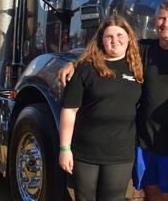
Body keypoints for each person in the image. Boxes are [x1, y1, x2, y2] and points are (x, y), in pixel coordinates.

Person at [59, 1, 168, 201]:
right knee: (151, 192)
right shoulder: (145, 49)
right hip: (144, 142)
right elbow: (108, 48)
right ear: (155, 21)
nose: (166, 23)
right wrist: (73, 63)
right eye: (162, 18)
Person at [59, 14, 144, 201]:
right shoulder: (86, 69)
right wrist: (65, 149)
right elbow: (69, 110)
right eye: (109, 36)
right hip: (85, 152)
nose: (115, 41)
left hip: (120, 154)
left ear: (129, 37)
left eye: (120, 35)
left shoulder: (137, 66)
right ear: (102, 40)